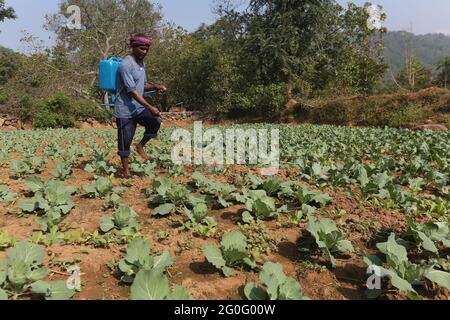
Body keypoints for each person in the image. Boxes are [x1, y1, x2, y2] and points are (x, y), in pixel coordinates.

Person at [114, 34, 166, 177]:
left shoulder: (141, 64)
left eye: (147, 49)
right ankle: (126, 171)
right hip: (125, 109)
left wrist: (156, 86)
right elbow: (132, 92)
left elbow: (141, 86)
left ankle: (140, 145)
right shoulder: (126, 65)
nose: (145, 52)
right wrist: (150, 107)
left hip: (138, 107)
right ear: (134, 47)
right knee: (125, 140)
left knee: (155, 121)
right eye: (142, 48)